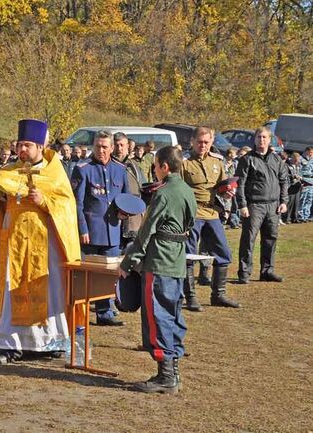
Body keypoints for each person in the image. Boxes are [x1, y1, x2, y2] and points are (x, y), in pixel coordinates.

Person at [0, 119, 81, 364]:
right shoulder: (10, 170)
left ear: (41, 146)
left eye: (27, 145)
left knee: (49, 289)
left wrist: (44, 201)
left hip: (46, 241)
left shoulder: (55, 172)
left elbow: (67, 205)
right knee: (13, 285)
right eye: (20, 145)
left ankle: (49, 342)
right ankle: (12, 344)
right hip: (16, 239)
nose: (22, 150)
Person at [119, 145, 197, 394]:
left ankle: (166, 375)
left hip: (159, 261)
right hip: (176, 261)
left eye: (155, 165)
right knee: (173, 314)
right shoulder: (186, 190)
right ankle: (172, 371)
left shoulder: (164, 194)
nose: (154, 170)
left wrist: (127, 263)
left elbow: (146, 232)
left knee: (157, 315)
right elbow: (190, 222)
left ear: (164, 166)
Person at [72, 129, 128, 326]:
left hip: (112, 231)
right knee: (86, 276)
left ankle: (104, 312)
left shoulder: (120, 170)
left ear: (112, 148)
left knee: (108, 274)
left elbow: (125, 199)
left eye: (105, 147)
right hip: (90, 232)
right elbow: (77, 203)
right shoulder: (83, 168)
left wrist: (125, 214)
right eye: (98, 146)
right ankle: (80, 314)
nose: (101, 150)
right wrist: (82, 229)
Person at [181, 126, 239, 310]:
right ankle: (190, 298)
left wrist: (228, 194)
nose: (203, 145)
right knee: (188, 257)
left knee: (223, 254)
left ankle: (218, 295)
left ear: (212, 142)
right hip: (193, 215)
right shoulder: (184, 164)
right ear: (192, 141)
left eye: (206, 142)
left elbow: (223, 187)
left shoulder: (217, 163)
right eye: (199, 142)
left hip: (212, 214)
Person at [235, 127, 289, 283]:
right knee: (248, 239)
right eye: (259, 137)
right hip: (254, 205)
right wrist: (242, 205)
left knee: (270, 238)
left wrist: (284, 201)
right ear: (255, 139)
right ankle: (244, 273)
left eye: (265, 137)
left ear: (269, 139)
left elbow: (284, 180)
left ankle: (267, 271)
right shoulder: (247, 159)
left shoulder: (277, 159)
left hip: (273, 206)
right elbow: (240, 184)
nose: (262, 140)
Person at [113, 131, 146, 249]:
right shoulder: (108, 165)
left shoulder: (134, 166)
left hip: (133, 217)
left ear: (128, 146)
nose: (119, 148)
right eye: (116, 145)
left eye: (122, 145)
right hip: (114, 216)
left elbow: (142, 187)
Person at [283, 152, 302, 224]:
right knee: (289, 203)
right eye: (295, 160)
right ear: (292, 158)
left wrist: (300, 176)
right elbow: (284, 174)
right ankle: (287, 218)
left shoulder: (299, 165)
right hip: (290, 186)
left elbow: (301, 172)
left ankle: (295, 218)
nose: (296, 162)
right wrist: (293, 176)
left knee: (296, 203)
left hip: (297, 186)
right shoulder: (286, 165)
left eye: (298, 160)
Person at [297, 146, 313, 223]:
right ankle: (300, 216)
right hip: (304, 181)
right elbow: (298, 170)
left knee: (309, 199)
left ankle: (306, 215)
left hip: (311, 181)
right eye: (310, 152)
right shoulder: (300, 159)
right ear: (306, 151)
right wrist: (300, 180)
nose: (311, 154)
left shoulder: (312, 159)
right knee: (302, 199)